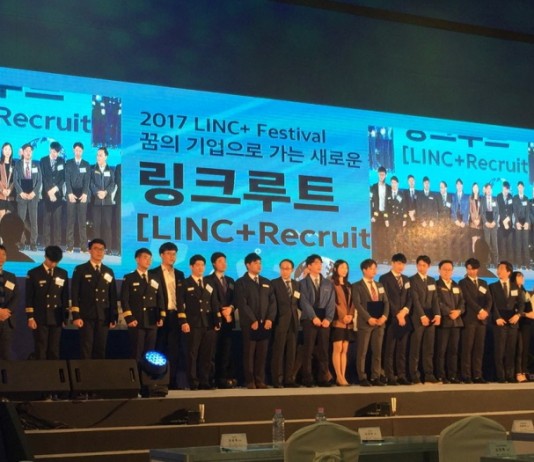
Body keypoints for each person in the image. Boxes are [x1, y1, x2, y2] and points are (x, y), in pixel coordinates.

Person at [178, 254, 221, 390]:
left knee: (207, 354)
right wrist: (183, 321)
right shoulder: (185, 283)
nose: (200, 268)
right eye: (198, 265)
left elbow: (214, 303)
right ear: (191, 267)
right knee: (192, 354)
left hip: (209, 323)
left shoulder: (209, 283)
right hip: (193, 323)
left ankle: (205, 381)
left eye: (202, 265)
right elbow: (180, 304)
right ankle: (193, 381)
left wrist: (218, 320)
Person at [234, 252, 276, 389]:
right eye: (256, 263)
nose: (259, 265)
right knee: (249, 353)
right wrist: (252, 320)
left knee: (262, 354)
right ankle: (249, 380)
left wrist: (270, 319)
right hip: (249, 324)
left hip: (265, 323)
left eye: (260, 263)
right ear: (248, 265)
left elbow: (273, 303)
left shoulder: (266, 282)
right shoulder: (241, 283)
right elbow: (242, 304)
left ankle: (260, 379)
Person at [70, 238, 118, 359]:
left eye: (102, 249)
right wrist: (76, 315)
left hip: (103, 316)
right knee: (86, 348)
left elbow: (112, 295)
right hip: (86, 315)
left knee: (100, 349)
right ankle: (85, 371)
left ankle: (98, 371)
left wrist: (113, 316)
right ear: (89, 250)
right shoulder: (80, 269)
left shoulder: (108, 271)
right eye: (96, 249)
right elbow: (75, 293)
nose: (99, 252)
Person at [148, 242, 185, 389]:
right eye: (169, 253)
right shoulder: (153, 273)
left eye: (174, 254)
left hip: (176, 315)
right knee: (159, 348)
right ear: (161, 255)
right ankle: (158, 380)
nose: (172, 257)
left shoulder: (180, 274)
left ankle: (172, 380)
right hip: (160, 316)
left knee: (174, 350)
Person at [121, 248, 165, 362]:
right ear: (137, 259)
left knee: (150, 354)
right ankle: (136, 373)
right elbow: (125, 300)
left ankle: (147, 373)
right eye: (145, 258)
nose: (148, 261)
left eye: (150, 258)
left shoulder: (155, 278)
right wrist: (129, 318)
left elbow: (160, 299)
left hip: (152, 320)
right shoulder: (129, 278)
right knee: (137, 352)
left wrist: (161, 316)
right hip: (137, 320)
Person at [25, 246, 68, 360]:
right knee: (41, 347)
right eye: (51, 261)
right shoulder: (34, 273)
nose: (53, 264)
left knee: (54, 349)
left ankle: (54, 371)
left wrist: (65, 317)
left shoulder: (62, 273)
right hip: (40, 316)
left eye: (56, 262)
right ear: (45, 257)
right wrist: (30, 317)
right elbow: (29, 298)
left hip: (56, 317)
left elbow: (64, 297)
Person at [299, 254, 336, 387]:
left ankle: (323, 377)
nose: (319, 266)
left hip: (324, 318)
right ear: (309, 266)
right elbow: (303, 301)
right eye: (316, 263)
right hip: (309, 318)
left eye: (320, 263)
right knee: (308, 349)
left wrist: (328, 318)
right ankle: (307, 377)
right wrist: (313, 317)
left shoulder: (327, 283)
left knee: (324, 349)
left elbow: (331, 302)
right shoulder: (302, 283)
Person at [352, 258, 389, 386]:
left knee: (377, 351)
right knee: (362, 352)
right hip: (365, 323)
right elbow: (357, 304)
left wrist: (384, 316)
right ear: (364, 270)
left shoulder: (379, 285)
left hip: (380, 323)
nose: (374, 271)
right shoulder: (357, 286)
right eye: (372, 268)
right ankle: (362, 377)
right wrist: (369, 318)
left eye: (375, 268)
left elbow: (386, 302)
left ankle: (375, 376)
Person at [204, 252, 237, 389]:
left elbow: (235, 298)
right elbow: (209, 299)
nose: (224, 264)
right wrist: (221, 311)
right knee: (212, 351)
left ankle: (223, 378)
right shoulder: (207, 280)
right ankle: (210, 378)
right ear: (213, 263)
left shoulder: (230, 280)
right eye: (220, 261)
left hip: (228, 320)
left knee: (226, 350)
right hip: (213, 320)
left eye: (225, 261)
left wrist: (231, 308)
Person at [379, 253, 412, 385]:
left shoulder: (406, 279)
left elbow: (410, 298)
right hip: (392, 318)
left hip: (404, 318)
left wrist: (404, 311)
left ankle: (401, 375)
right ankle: (390, 375)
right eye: (398, 263)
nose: (401, 266)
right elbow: (385, 298)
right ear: (392, 263)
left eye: (403, 264)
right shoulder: (384, 278)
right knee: (390, 349)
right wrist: (397, 314)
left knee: (402, 349)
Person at [489, 261, 524, 383]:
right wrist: (497, 317)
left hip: (513, 322)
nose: (498, 271)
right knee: (499, 350)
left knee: (511, 350)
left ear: (508, 272)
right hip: (499, 321)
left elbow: (521, 303)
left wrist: (518, 315)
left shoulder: (515, 286)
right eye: (498, 268)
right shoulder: (492, 286)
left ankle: (510, 375)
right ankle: (501, 376)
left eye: (501, 269)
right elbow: (492, 304)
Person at [458, 258, 492, 383]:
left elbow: (489, 299)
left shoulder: (483, 282)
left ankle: (477, 375)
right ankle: (466, 375)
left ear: (477, 269)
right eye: (468, 269)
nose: (471, 271)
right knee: (467, 348)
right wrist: (479, 310)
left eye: (473, 269)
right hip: (469, 319)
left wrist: (485, 311)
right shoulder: (463, 282)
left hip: (482, 321)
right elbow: (468, 299)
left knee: (479, 348)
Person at [408, 255, 441, 384]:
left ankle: (429, 374)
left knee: (429, 348)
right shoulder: (412, 280)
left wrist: (437, 315)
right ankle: (414, 375)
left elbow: (435, 299)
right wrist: (422, 316)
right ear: (416, 265)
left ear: (428, 266)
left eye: (424, 265)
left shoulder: (432, 280)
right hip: (418, 317)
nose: (421, 267)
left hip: (431, 316)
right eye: (419, 265)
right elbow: (415, 300)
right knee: (415, 347)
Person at [270, 258, 300, 388]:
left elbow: (297, 303)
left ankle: (289, 379)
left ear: (292, 270)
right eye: (282, 268)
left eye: (287, 268)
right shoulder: (274, 283)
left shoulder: (296, 284)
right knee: (279, 352)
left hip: (293, 322)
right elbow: (272, 304)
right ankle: (277, 379)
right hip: (280, 321)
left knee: (291, 352)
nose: (285, 271)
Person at [435, 260, 464, 383]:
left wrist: (459, 311)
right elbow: (437, 302)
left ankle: (452, 375)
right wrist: (449, 312)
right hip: (444, 323)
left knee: (454, 351)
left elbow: (462, 301)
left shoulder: (456, 285)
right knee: (441, 351)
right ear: (439, 270)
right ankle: (441, 375)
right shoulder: (436, 285)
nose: (447, 272)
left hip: (456, 322)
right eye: (444, 269)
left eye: (449, 269)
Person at [330, 259, 355, 386]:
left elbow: (353, 303)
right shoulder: (331, 284)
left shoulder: (349, 285)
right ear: (335, 269)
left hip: (348, 321)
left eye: (346, 268)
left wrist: (350, 315)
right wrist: (342, 316)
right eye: (342, 267)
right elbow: (332, 303)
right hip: (337, 321)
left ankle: (343, 376)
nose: (345, 270)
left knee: (345, 349)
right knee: (338, 348)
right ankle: (338, 376)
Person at [13, 143, 41, 250]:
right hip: (22, 196)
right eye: (26, 151)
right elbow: (15, 180)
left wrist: (34, 192)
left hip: (33, 196)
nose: (28, 153)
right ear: (23, 152)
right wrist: (21, 192)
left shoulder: (36, 165)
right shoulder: (18, 164)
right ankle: (21, 242)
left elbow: (39, 181)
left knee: (34, 220)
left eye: (30, 151)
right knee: (21, 220)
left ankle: (33, 243)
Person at [65, 142, 90, 252]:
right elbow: (67, 179)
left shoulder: (86, 164)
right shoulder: (68, 163)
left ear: (82, 151)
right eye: (76, 150)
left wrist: (85, 193)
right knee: (70, 221)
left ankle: (83, 247)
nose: (78, 152)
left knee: (82, 222)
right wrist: (70, 193)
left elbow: (87, 180)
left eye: (80, 151)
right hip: (71, 193)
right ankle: (70, 246)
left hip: (82, 194)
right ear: (73, 150)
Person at [40, 141, 65, 247]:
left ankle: (57, 244)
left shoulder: (61, 161)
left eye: (57, 152)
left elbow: (62, 178)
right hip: (47, 194)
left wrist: (55, 189)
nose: (55, 154)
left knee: (57, 220)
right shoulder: (43, 160)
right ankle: (46, 244)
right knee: (46, 220)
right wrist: (49, 192)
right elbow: (43, 177)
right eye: (54, 151)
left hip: (58, 195)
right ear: (50, 149)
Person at [90, 147, 115, 249]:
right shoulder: (92, 169)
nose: (98, 157)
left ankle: (107, 248)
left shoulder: (111, 170)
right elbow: (91, 183)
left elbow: (112, 184)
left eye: (100, 155)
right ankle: (96, 247)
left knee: (107, 225)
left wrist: (105, 192)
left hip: (107, 203)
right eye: (97, 155)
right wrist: (97, 192)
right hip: (96, 202)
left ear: (106, 156)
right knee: (96, 225)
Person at [511, 271, 534, 383]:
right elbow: (515, 308)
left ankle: (524, 371)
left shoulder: (524, 290)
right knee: (519, 349)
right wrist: (524, 314)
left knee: (525, 349)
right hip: (519, 322)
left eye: (522, 276)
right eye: (519, 276)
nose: (522, 278)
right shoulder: (513, 290)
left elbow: (529, 306)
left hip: (528, 324)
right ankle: (518, 372)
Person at [0, 244, 18, 360]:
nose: (1, 258)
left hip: (6, 321)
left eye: (4, 255)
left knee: (6, 355)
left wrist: (7, 311)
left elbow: (16, 297)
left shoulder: (10, 276)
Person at [370, 166, 391, 263]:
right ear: (378, 175)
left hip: (385, 216)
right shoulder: (373, 187)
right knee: (376, 236)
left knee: (385, 236)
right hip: (376, 215)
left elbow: (390, 204)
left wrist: (388, 218)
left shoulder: (389, 188)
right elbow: (370, 201)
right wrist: (372, 216)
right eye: (380, 174)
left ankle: (384, 257)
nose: (381, 176)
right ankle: (376, 257)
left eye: (383, 174)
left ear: (386, 175)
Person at [480, 183, 499, 267]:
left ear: (491, 190)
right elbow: (482, 212)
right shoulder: (482, 199)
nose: (488, 190)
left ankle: (496, 261)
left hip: (494, 224)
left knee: (494, 243)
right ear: (485, 190)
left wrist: (494, 222)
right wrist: (486, 222)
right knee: (487, 243)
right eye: (487, 189)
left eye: (490, 189)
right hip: (486, 224)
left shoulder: (495, 199)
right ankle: (487, 261)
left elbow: (497, 212)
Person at [451, 178, 470, 263]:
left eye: (460, 184)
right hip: (456, 221)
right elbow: (452, 209)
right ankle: (457, 260)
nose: (459, 186)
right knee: (456, 241)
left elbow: (467, 210)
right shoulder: (453, 196)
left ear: (462, 186)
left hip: (463, 220)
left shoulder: (466, 197)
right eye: (457, 184)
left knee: (464, 241)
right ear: (456, 186)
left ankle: (464, 259)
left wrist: (464, 221)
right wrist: (455, 220)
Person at [513, 182, 530, 269]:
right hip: (518, 222)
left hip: (525, 222)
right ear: (517, 188)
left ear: (523, 188)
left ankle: (527, 265)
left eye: (521, 187)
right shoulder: (515, 198)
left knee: (525, 244)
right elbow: (514, 211)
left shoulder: (526, 198)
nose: (520, 188)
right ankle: (519, 265)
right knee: (518, 244)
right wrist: (516, 222)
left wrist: (527, 222)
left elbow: (528, 212)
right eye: (519, 187)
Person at [496, 181, 514, 263]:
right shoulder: (499, 196)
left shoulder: (510, 196)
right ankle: (503, 262)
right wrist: (504, 220)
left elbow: (511, 209)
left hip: (509, 223)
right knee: (502, 243)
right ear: (502, 188)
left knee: (510, 244)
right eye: (505, 189)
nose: (506, 190)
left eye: (507, 189)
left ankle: (510, 262)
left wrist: (508, 219)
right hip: (501, 223)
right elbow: (499, 209)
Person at [0, 142, 16, 220]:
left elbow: (15, 179)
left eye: (9, 149)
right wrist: (2, 190)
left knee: (9, 219)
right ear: (2, 151)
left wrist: (10, 189)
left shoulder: (14, 164)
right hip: (1, 195)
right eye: (5, 149)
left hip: (11, 195)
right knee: (2, 217)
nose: (7, 151)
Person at [468, 182, 483, 255]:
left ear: (478, 189)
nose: (475, 189)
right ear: (472, 189)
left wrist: (479, 220)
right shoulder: (470, 198)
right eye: (474, 187)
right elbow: (470, 211)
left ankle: (479, 257)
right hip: (473, 223)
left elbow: (482, 211)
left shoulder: (481, 198)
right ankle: (474, 257)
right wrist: (474, 220)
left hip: (480, 224)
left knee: (479, 242)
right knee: (474, 241)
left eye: (476, 187)